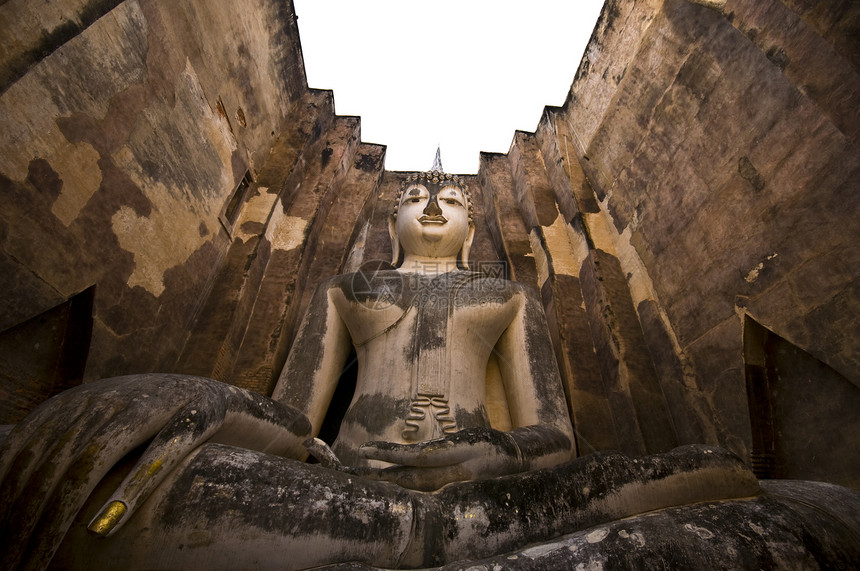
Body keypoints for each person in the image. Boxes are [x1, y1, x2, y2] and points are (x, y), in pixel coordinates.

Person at [0, 170, 578, 570]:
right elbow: (296, 425)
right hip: (342, 492)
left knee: (660, 501)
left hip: (490, 506)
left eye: (449, 200)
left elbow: (557, 440)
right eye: (414, 199)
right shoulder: (345, 289)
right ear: (390, 223)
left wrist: (505, 452)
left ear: (471, 230)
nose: (430, 207)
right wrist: (213, 402)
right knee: (109, 476)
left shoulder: (508, 295)